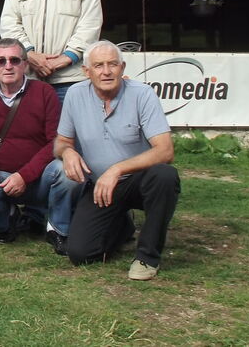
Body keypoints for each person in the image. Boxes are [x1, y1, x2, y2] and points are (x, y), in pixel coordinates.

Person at [55, 40, 181, 281]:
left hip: (139, 180)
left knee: (165, 176)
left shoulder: (142, 94)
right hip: (100, 186)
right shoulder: (74, 94)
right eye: (99, 65)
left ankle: (147, 256)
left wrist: (116, 169)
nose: (106, 71)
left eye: (113, 64)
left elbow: (165, 151)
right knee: (80, 254)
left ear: (122, 68)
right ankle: (123, 225)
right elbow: (62, 141)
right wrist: (68, 152)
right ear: (86, 71)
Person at [0, 38, 83, 253]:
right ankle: (7, 222)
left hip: (39, 177)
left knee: (66, 172)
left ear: (25, 64)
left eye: (14, 60)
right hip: (0, 177)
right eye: (1, 61)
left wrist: (24, 175)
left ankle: (57, 230)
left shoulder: (44, 93)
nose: (8, 66)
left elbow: (55, 142)